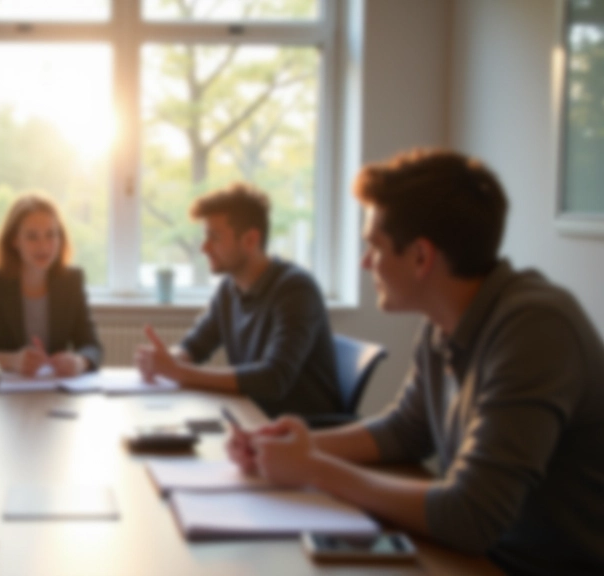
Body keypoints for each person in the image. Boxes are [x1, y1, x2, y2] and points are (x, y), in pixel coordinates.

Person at [227, 149, 604, 575]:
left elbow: (470, 516)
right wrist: (286, 446)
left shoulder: (536, 329)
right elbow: (405, 429)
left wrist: (315, 470)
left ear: (422, 257)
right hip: (479, 556)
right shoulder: (442, 322)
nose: (364, 262)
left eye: (374, 246)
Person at [135, 182, 339, 417]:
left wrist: (179, 372)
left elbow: (274, 379)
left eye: (214, 237)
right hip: (252, 418)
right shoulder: (229, 289)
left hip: (302, 432)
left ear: (251, 240)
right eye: (205, 236)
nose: (204, 247)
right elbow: (195, 346)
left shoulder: (296, 289)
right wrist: (166, 359)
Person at [0, 194, 102, 376]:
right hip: (7, 394)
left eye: (51, 235)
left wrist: (79, 361)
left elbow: (92, 347)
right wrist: (10, 360)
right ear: (15, 240)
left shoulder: (71, 281)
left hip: (54, 389)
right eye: (32, 237)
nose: (43, 246)